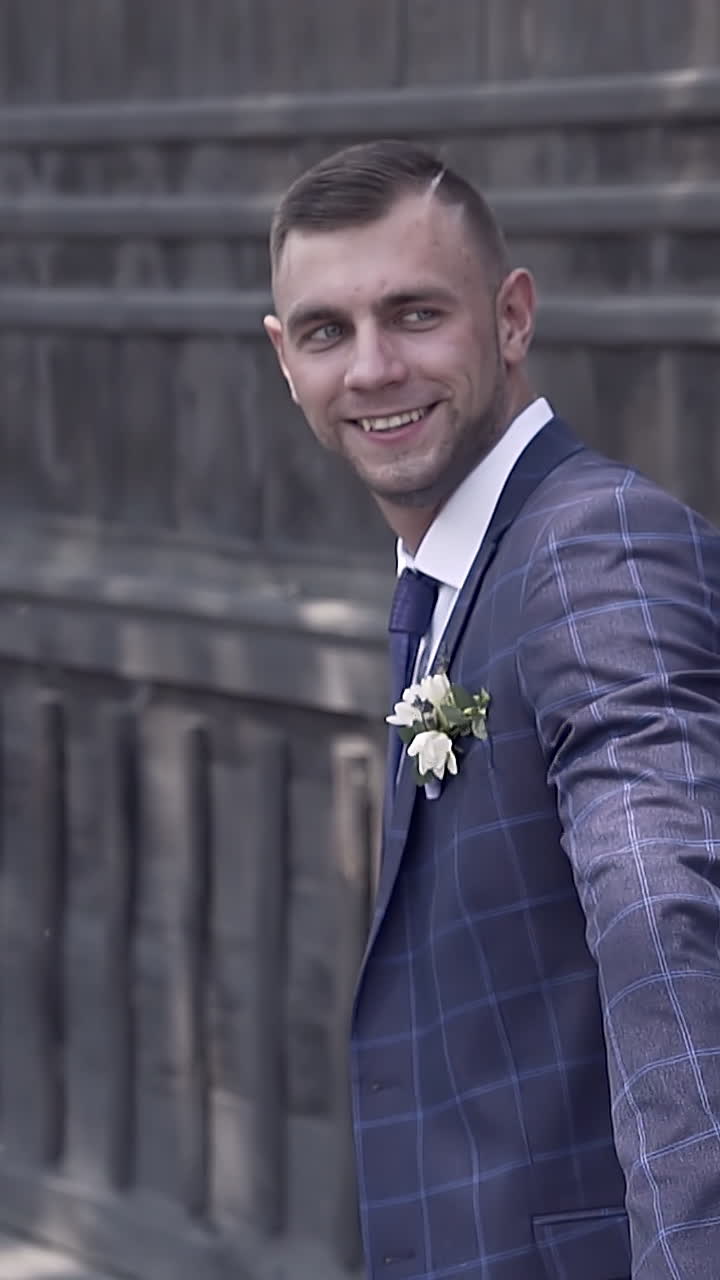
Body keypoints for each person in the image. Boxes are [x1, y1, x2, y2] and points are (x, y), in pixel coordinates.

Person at [264, 140, 720, 1280]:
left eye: (415, 314)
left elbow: (668, 927)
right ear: (285, 360)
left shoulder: (594, 545)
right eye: (325, 331)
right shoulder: (454, 580)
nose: (372, 368)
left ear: (512, 318)